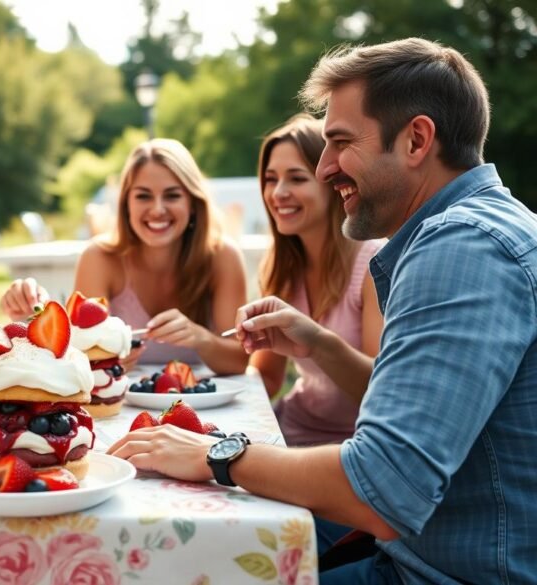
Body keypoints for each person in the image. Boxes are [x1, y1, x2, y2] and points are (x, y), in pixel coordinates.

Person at [110, 38, 537, 583]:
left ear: (416, 139)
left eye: (339, 143)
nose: (326, 166)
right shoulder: (473, 232)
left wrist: (216, 453)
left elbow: (381, 488)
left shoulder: (461, 250)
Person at [3, 139, 248, 375]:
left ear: (193, 204)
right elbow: (78, 355)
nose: (158, 209)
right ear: (126, 204)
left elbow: (240, 361)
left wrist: (202, 339)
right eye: (143, 196)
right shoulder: (99, 258)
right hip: (119, 407)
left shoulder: (222, 257)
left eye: (172, 195)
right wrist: (106, 363)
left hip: (204, 407)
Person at [252, 114, 383, 446]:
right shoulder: (282, 266)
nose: (278, 192)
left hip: (354, 445)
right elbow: (266, 376)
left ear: (332, 182)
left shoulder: (373, 263)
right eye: (270, 179)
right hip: (290, 429)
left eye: (296, 178)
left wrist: (316, 341)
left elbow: (381, 387)